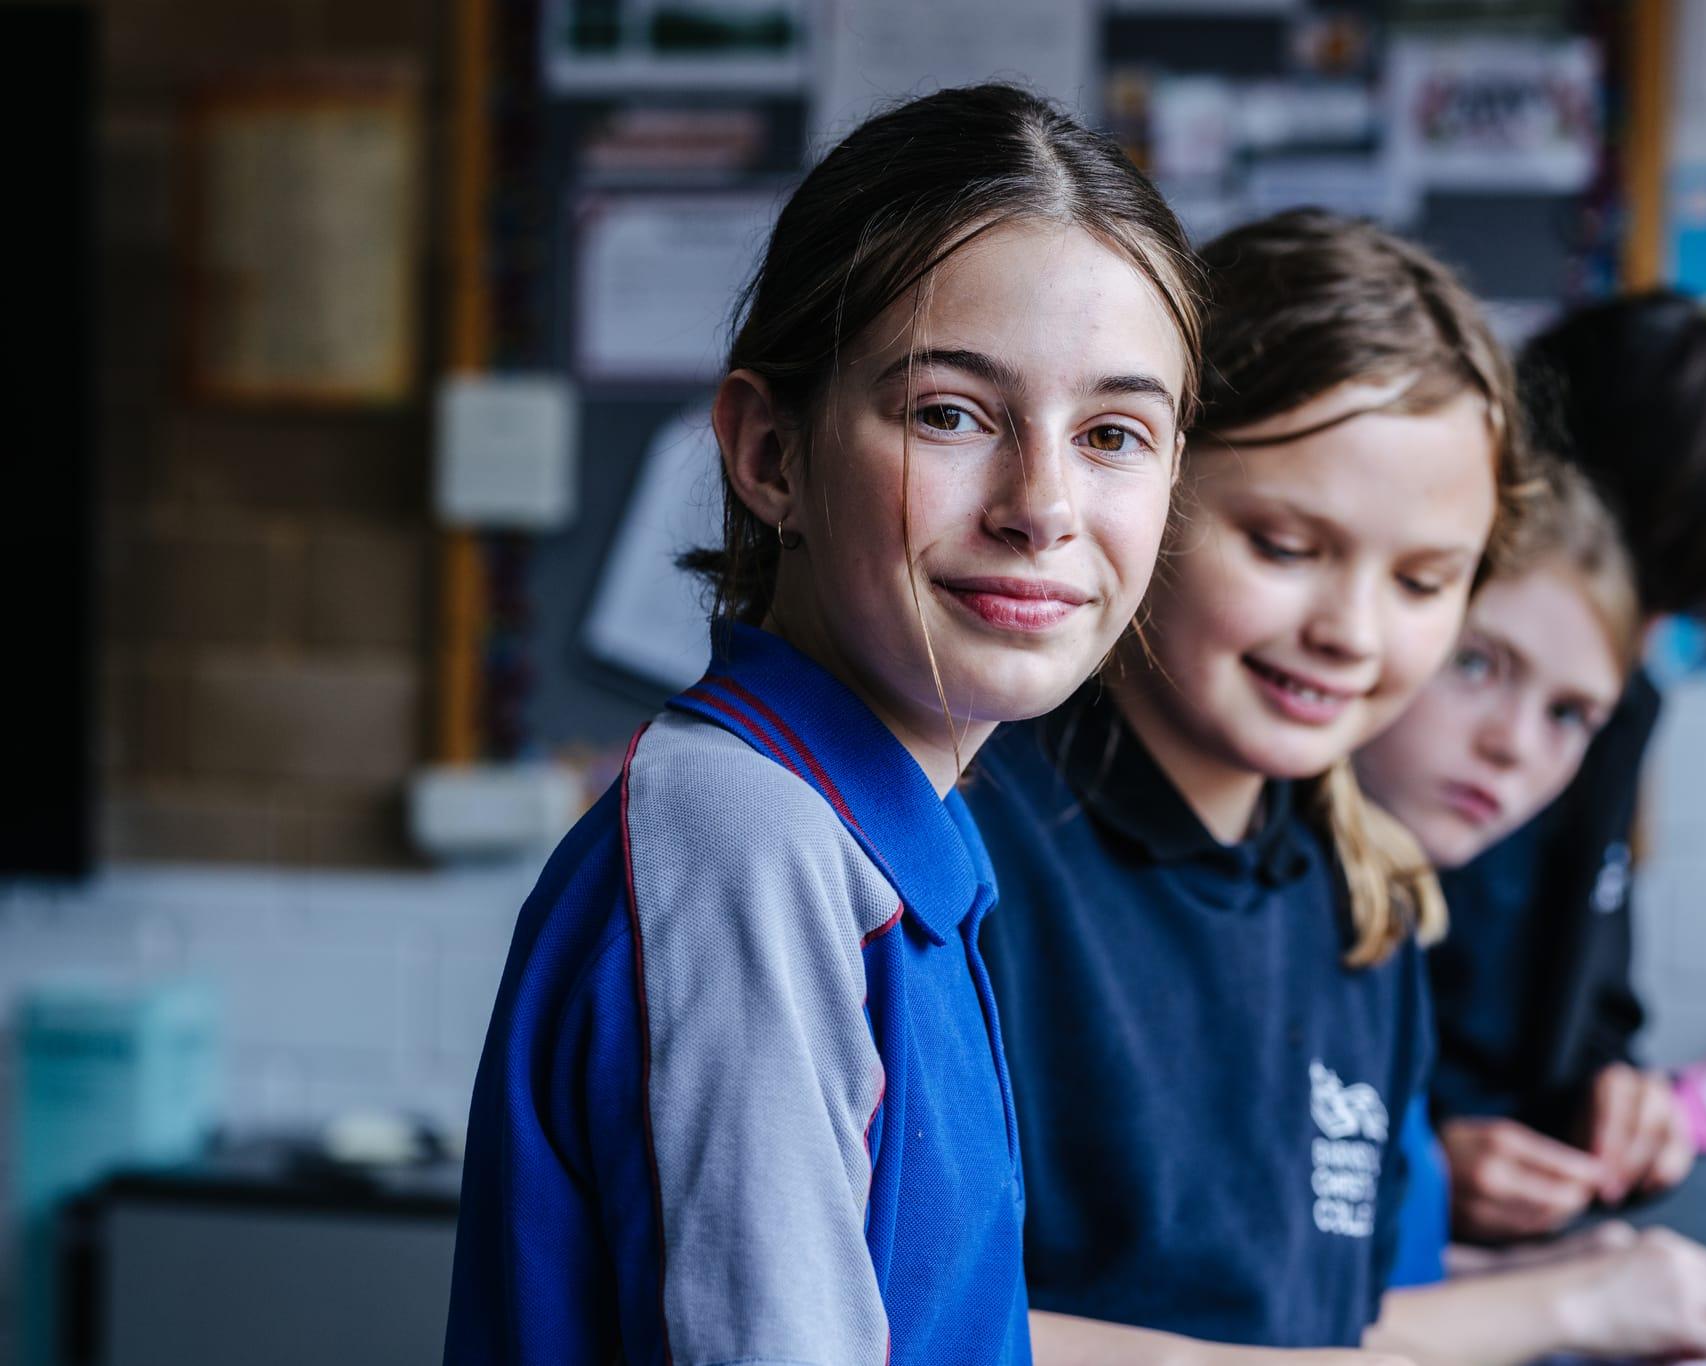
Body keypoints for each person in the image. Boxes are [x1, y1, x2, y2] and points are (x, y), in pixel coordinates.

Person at [443, 84, 1205, 1366]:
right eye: (948, 412)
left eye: (1114, 434)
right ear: (768, 454)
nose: (1044, 506)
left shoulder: (893, 842)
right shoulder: (749, 837)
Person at [970, 209, 1526, 1355]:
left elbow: (1334, 1329)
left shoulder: (1364, 904)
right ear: (1147, 486)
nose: (1350, 632)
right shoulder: (972, 846)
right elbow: (895, 1319)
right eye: (1282, 547)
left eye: (1424, 581)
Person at [1416, 293, 1706, 1243]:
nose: (1625, 649)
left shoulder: (1620, 705)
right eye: (1483, 664)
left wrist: (1618, 1088)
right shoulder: (1387, 715)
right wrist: (1414, 1166)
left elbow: (1594, 972)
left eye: (1574, 710)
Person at [1357, 459, 1706, 1364]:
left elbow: (1341, 1286)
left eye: (1570, 714)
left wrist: (1547, 1273)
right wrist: (1566, 1300)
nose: (1512, 745)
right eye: (1476, 664)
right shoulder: (1295, 910)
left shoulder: (1389, 910)